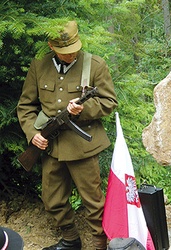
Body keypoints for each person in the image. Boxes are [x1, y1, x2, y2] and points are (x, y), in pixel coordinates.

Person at [17, 20, 118, 250]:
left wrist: (84, 109)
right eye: (64, 52)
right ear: (52, 46)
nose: (70, 55)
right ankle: (70, 239)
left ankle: (100, 243)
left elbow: (109, 102)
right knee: (52, 199)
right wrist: (33, 134)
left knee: (93, 201)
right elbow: (26, 106)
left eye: (73, 50)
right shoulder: (39, 65)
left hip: (83, 146)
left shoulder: (94, 65)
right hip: (50, 145)